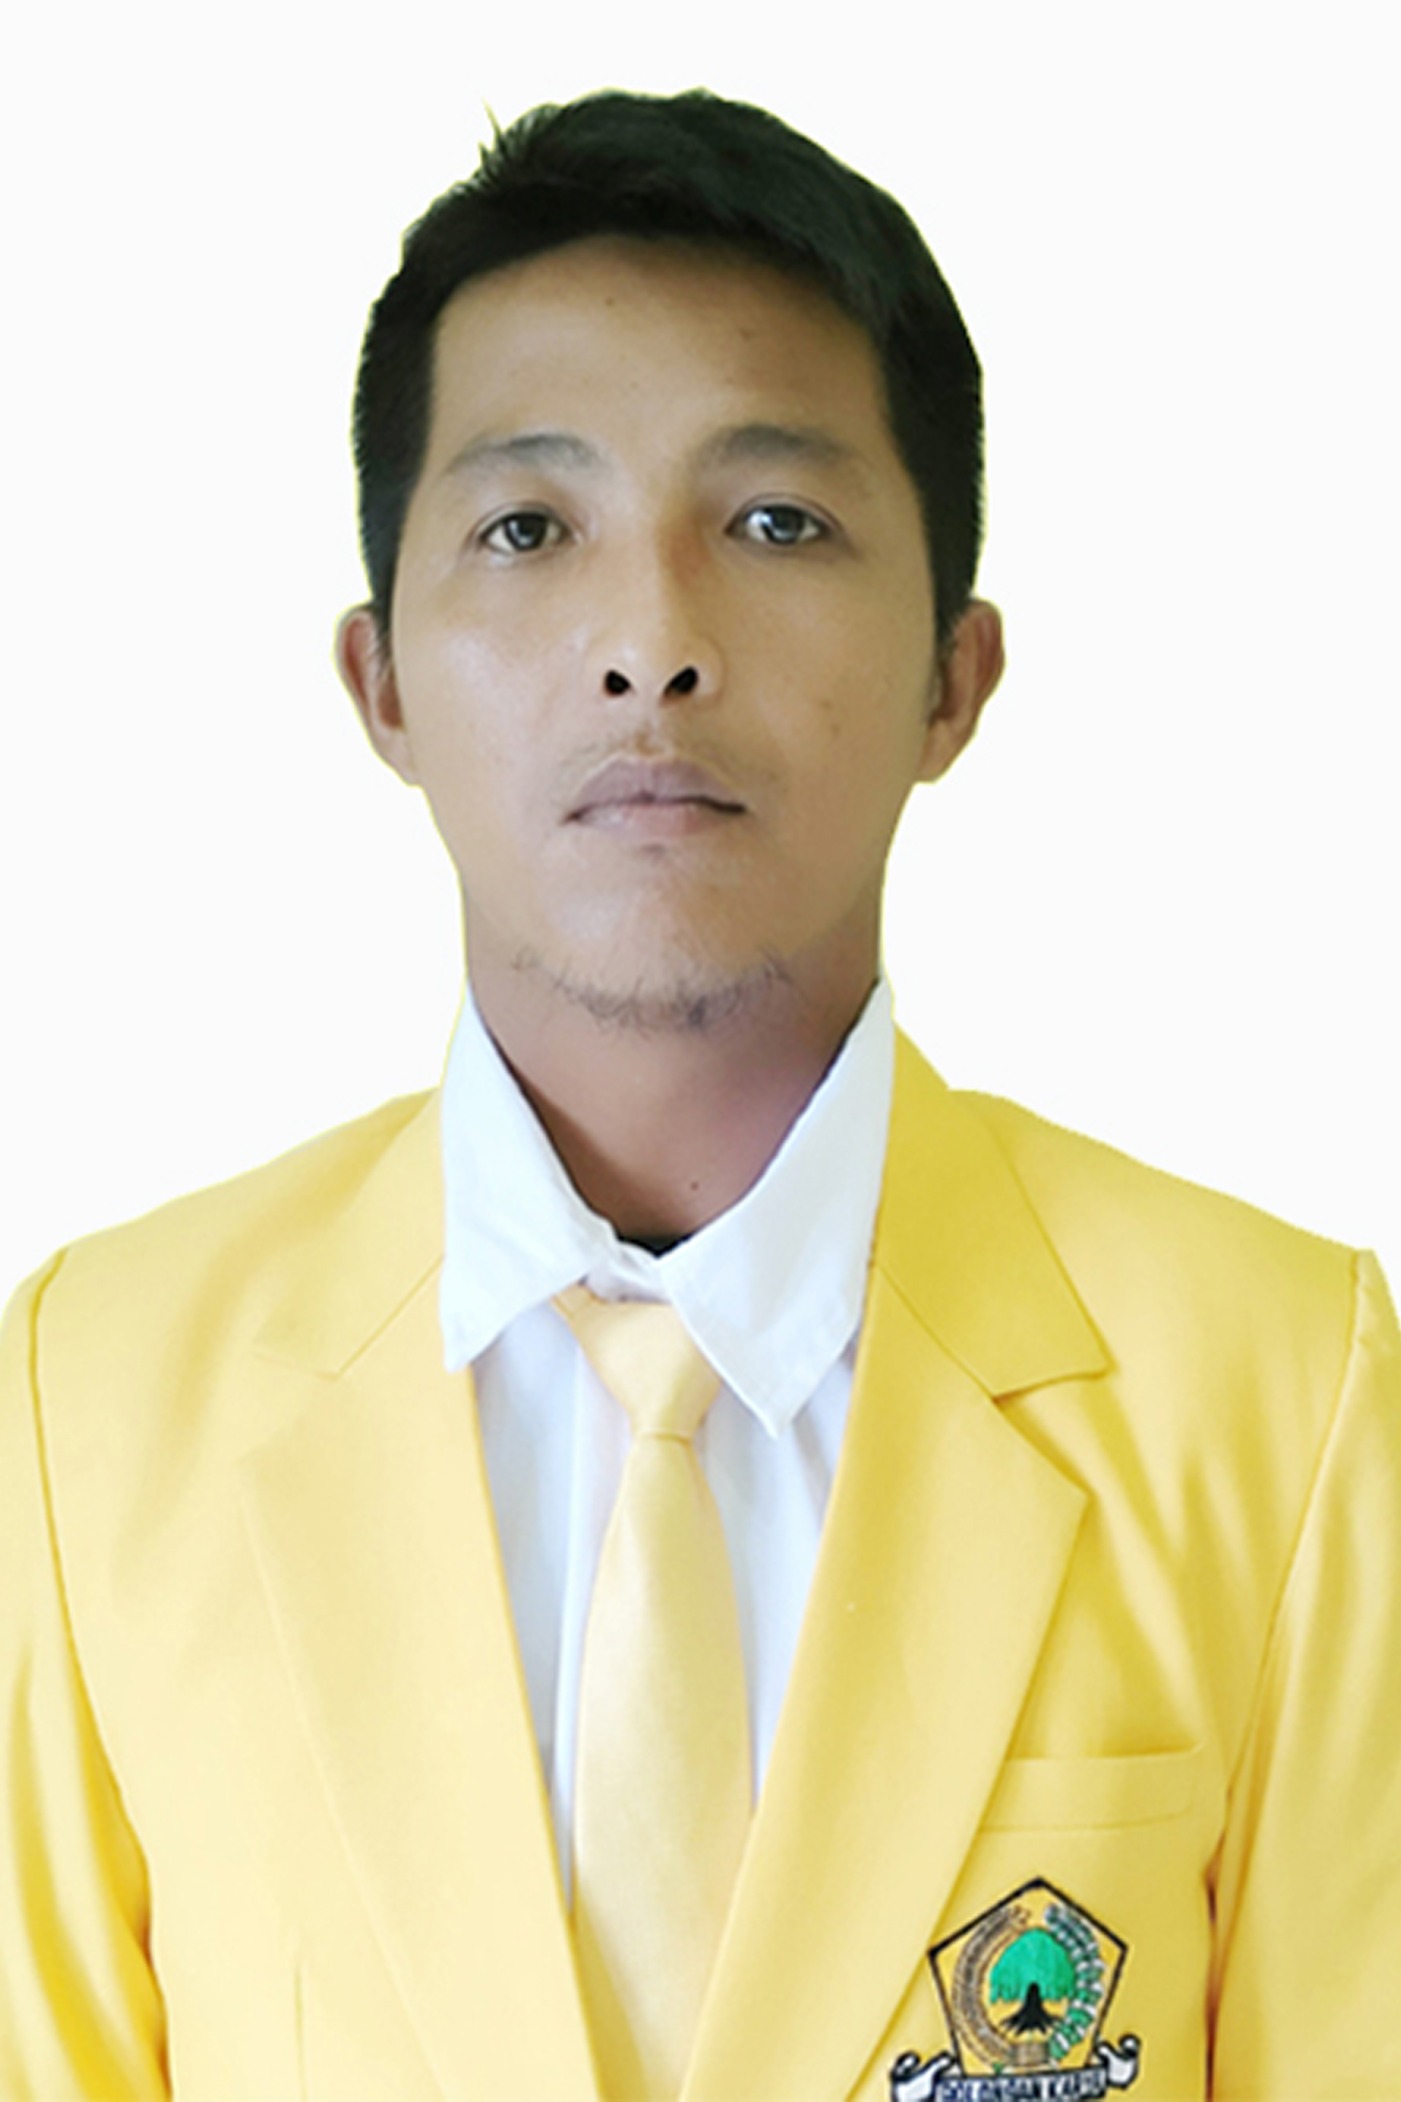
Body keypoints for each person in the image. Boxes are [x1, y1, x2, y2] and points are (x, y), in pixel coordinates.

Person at [1, 88, 1397, 2102]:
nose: (649, 644)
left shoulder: (1274, 1388)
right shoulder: (92, 1400)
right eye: (526, 527)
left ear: (953, 676)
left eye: (773, 523)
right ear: (380, 682)